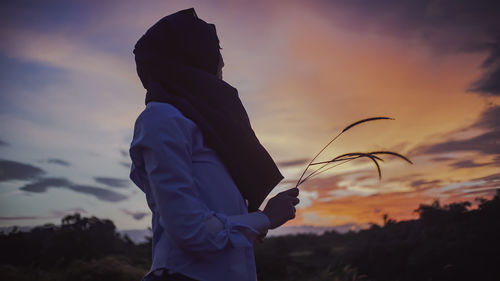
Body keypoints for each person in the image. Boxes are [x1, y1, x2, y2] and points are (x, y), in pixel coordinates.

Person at [129, 8, 299, 281]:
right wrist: (264, 219)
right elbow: (189, 230)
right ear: (193, 58)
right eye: (213, 53)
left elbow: (208, 216)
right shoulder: (162, 118)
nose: (221, 64)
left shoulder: (208, 126)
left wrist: (247, 225)